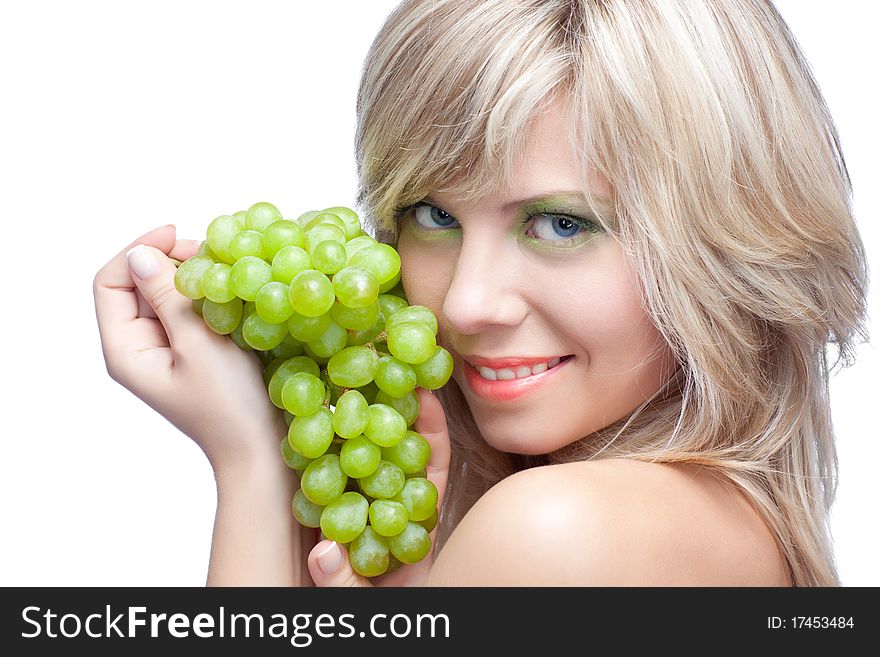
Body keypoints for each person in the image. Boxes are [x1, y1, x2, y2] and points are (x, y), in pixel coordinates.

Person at [93, 0, 868, 586]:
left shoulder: (555, 529)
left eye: (561, 224)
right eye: (432, 215)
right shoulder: (733, 528)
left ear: (726, 234)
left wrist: (254, 466)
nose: (465, 303)